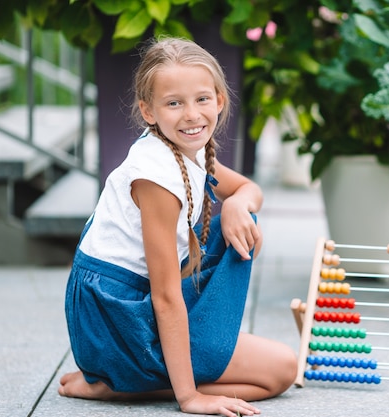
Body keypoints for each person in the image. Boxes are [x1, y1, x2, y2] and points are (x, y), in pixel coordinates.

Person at [57, 37, 297, 416]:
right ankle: (126, 386)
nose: (191, 114)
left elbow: (251, 190)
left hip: (132, 306)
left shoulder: (187, 147)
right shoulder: (156, 179)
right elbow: (165, 297)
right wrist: (190, 398)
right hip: (120, 321)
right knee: (281, 370)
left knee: (242, 219)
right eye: (174, 103)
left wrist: (236, 202)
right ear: (148, 111)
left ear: (219, 100)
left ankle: (136, 380)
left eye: (201, 99)